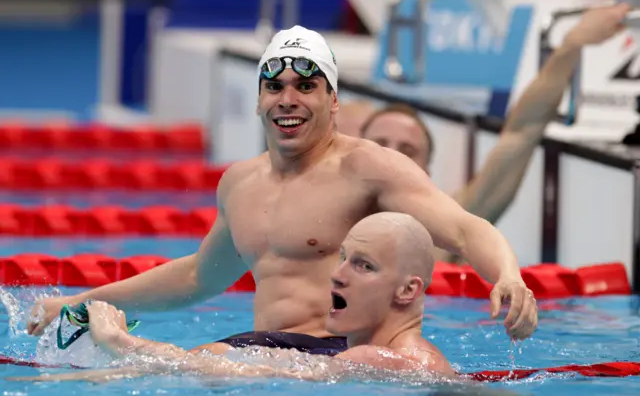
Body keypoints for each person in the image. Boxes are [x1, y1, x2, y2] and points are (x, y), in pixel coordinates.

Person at [27, 24, 538, 357]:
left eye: (305, 86)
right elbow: (198, 276)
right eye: (275, 87)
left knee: (151, 364)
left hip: (335, 360)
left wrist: (508, 276)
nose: (287, 100)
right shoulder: (240, 183)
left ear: (333, 99)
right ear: (258, 101)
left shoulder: (368, 167)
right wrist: (80, 300)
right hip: (262, 354)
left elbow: (465, 229)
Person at [14, 213, 456, 383]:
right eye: (343, 258)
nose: (337, 275)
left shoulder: (393, 362)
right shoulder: (376, 354)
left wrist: (121, 343)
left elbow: (242, 372)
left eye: (363, 265)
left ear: (408, 290)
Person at [352, 3, 632, 262]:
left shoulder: (447, 233)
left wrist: (571, 45)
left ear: (427, 171)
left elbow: (522, 131)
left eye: (408, 151)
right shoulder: (320, 214)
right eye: (380, 143)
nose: (392, 156)